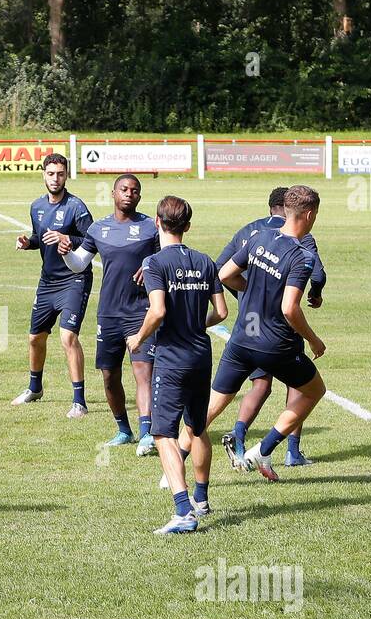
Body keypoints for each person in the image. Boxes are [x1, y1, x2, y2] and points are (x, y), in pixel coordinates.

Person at [203, 185, 327, 481]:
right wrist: (313, 339)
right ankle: (264, 449)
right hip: (275, 344)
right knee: (314, 391)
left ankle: (174, 464)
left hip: (242, 337)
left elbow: (223, 275)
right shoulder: (302, 253)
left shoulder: (258, 237)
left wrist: (252, 288)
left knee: (211, 407)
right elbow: (289, 308)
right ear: (309, 215)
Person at [126, 196, 228, 534]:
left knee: (162, 434)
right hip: (201, 356)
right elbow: (223, 312)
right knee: (197, 428)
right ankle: (202, 498)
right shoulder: (205, 261)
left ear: (157, 221)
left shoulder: (155, 263)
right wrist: (199, 325)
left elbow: (157, 312)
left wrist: (139, 339)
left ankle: (183, 511)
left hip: (171, 359)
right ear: (187, 225)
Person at [61, 174, 161, 453]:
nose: (129, 194)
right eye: (124, 189)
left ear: (139, 197)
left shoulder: (150, 228)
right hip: (108, 314)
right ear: (114, 194)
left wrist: (152, 263)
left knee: (143, 372)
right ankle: (123, 430)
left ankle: (146, 433)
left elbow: (166, 256)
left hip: (140, 312)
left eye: (135, 191)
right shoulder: (98, 228)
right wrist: (67, 252)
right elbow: (80, 264)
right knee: (109, 376)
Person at [12, 153, 94, 418]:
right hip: (48, 282)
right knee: (35, 338)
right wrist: (29, 243)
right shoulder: (36, 206)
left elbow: (92, 241)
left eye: (60, 174)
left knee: (67, 337)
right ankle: (35, 388)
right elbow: (40, 237)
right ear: (43, 175)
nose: (55, 178)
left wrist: (66, 237)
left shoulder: (77, 207)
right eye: (51, 173)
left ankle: (79, 402)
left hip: (74, 280)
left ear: (66, 175)